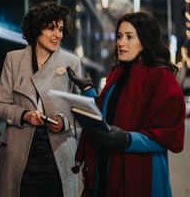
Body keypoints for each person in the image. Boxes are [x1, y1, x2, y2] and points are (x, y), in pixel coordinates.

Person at [67, 11, 185, 196]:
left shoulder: (162, 78)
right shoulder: (118, 73)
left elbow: (170, 136)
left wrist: (128, 139)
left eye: (130, 37)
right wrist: (88, 89)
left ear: (145, 40)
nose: (121, 43)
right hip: (106, 170)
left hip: (139, 176)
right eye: (120, 36)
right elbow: (107, 115)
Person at [0, 2, 80, 197]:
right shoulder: (13, 59)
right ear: (36, 29)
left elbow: (80, 110)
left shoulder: (71, 62)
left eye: (60, 29)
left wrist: (63, 122)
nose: (57, 34)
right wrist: (24, 115)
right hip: (19, 152)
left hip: (58, 153)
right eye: (51, 28)